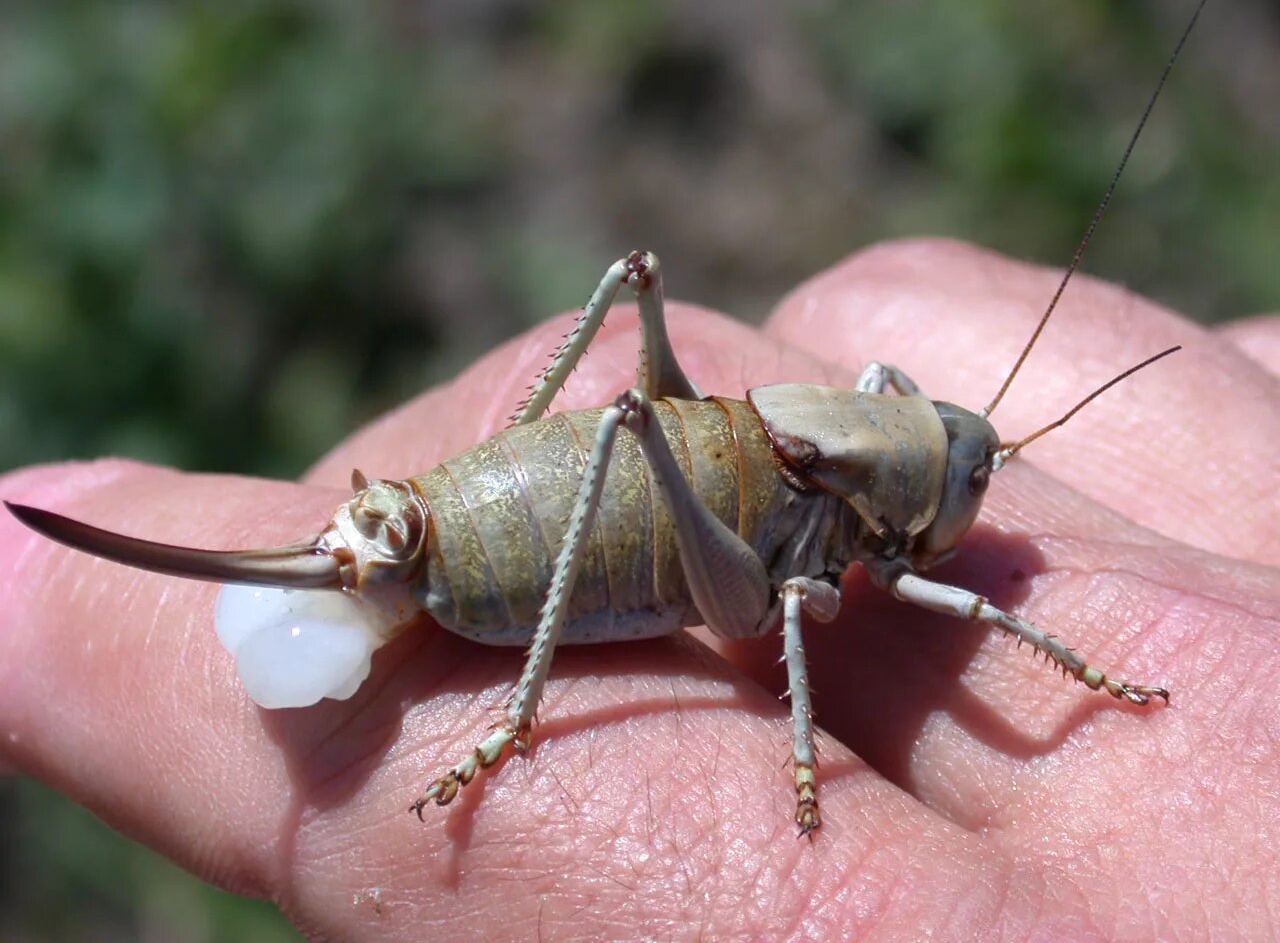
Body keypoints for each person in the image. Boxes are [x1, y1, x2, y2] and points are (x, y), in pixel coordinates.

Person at [2, 239, 1277, 940]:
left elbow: (885, 385)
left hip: (700, 474)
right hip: (625, 523)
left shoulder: (880, 419)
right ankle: (503, 706)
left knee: (658, 411)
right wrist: (1084, 669)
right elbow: (796, 601)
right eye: (961, 483)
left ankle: (443, 536)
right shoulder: (867, 495)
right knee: (732, 534)